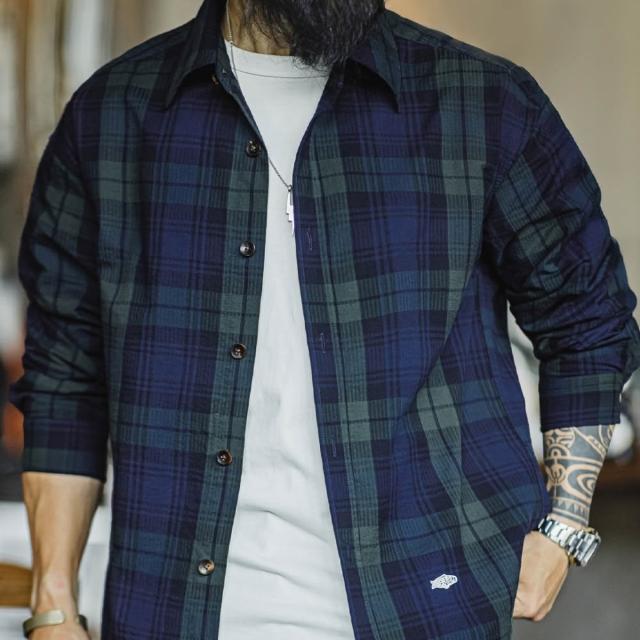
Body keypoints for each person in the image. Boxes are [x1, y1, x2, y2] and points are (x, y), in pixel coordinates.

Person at [9, 0, 640, 638]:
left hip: (427, 609)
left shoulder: (482, 102)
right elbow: (65, 376)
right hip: (171, 613)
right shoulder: (110, 116)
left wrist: (564, 527)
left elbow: (587, 316)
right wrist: (53, 604)